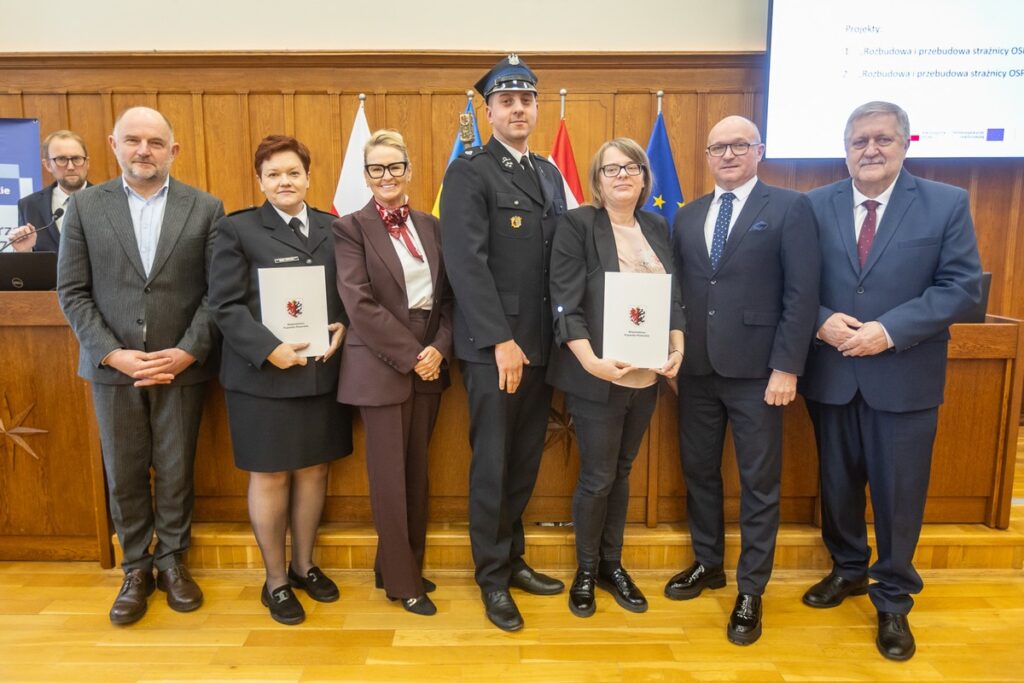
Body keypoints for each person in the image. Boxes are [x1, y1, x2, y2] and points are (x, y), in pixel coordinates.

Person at [800, 101, 982, 661]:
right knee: (838, 484)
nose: (870, 150)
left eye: (882, 139)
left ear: (905, 144)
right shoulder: (814, 205)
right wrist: (819, 320)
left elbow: (962, 289)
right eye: (859, 141)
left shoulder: (945, 203)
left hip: (903, 376)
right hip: (832, 375)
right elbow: (792, 282)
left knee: (900, 495)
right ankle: (849, 569)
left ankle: (895, 601)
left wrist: (889, 329)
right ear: (846, 148)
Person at [57, 106, 224, 625]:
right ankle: (135, 567)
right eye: (133, 140)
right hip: (113, 369)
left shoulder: (206, 208)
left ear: (173, 151)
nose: (143, 150)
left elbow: (219, 294)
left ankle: (172, 562)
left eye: (155, 142)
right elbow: (73, 291)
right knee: (125, 472)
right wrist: (114, 353)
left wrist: (189, 349)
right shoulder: (85, 208)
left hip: (181, 366)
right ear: (113, 144)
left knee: (175, 469)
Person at [666, 115, 819, 645]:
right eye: (718, 147)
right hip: (696, 372)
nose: (728, 155)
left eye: (738, 145)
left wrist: (787, 366)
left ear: (759, 150)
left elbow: (801, 295)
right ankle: (708, 563)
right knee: (700, 472)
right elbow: (679, 291)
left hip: (760, 374)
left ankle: (751, 589)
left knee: (758, 484)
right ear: (707, 155)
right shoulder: (687, 215)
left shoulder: (789, 208)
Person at [439, 54, 568, 632]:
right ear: (488, 109)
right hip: (499, 349)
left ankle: (513, 559)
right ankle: (490, 576)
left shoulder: (546, 172)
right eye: (508, 100)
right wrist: (500, 340)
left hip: (543, 345)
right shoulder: (470, 171)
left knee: (522, 461)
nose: (519, 108)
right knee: (492, 462)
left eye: (527, 99)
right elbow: (466, 264)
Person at [208, 135, 351, 626]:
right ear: (260, 182)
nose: (284, 182)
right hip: (261, 376)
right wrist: (269, 348)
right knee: (269, 474)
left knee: (314, 470)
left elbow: (347, 295)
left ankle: (305, 564)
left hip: (318, 372)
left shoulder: (336, 229)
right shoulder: (237, 230)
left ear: (309, 177)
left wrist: (343, 325)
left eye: (293, 172)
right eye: (273, 174)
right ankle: (275, 581)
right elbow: (223, 304)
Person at [548, 138, 684, 618]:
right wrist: (590, 362)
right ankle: (586, 570)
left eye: (632, 167)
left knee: (622, 474)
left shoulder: (656, 226)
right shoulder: (578, 225)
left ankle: (612, 564)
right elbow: (564, 301)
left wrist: (677, 347)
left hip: (647, 379)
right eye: (611, 169)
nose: (622, 175)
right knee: (598, 476)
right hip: (598, 378)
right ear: (597, 181)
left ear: (645, 178)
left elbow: (673, 295)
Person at [333, 129, 453, 616]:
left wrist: (439, 350)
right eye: (377, 168)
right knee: (388, 477)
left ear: (409, 169)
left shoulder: (431, 225)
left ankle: (400, 564)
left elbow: (448, 299)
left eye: (395, 166)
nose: (387, 176)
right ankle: (402, 584)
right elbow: (358, 303)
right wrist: (413, 354)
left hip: (431, 361)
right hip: (382, 363)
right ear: (365, 176)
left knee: (415, 474)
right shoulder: (349, 228)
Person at [9, 129, 92, 253]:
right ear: (47, 165)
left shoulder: (110, 201)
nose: (70, 166)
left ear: (87, 163)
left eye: (77, 158)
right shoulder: (29, 206)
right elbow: (25, 268)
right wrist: (25, 250)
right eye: (62, 159)